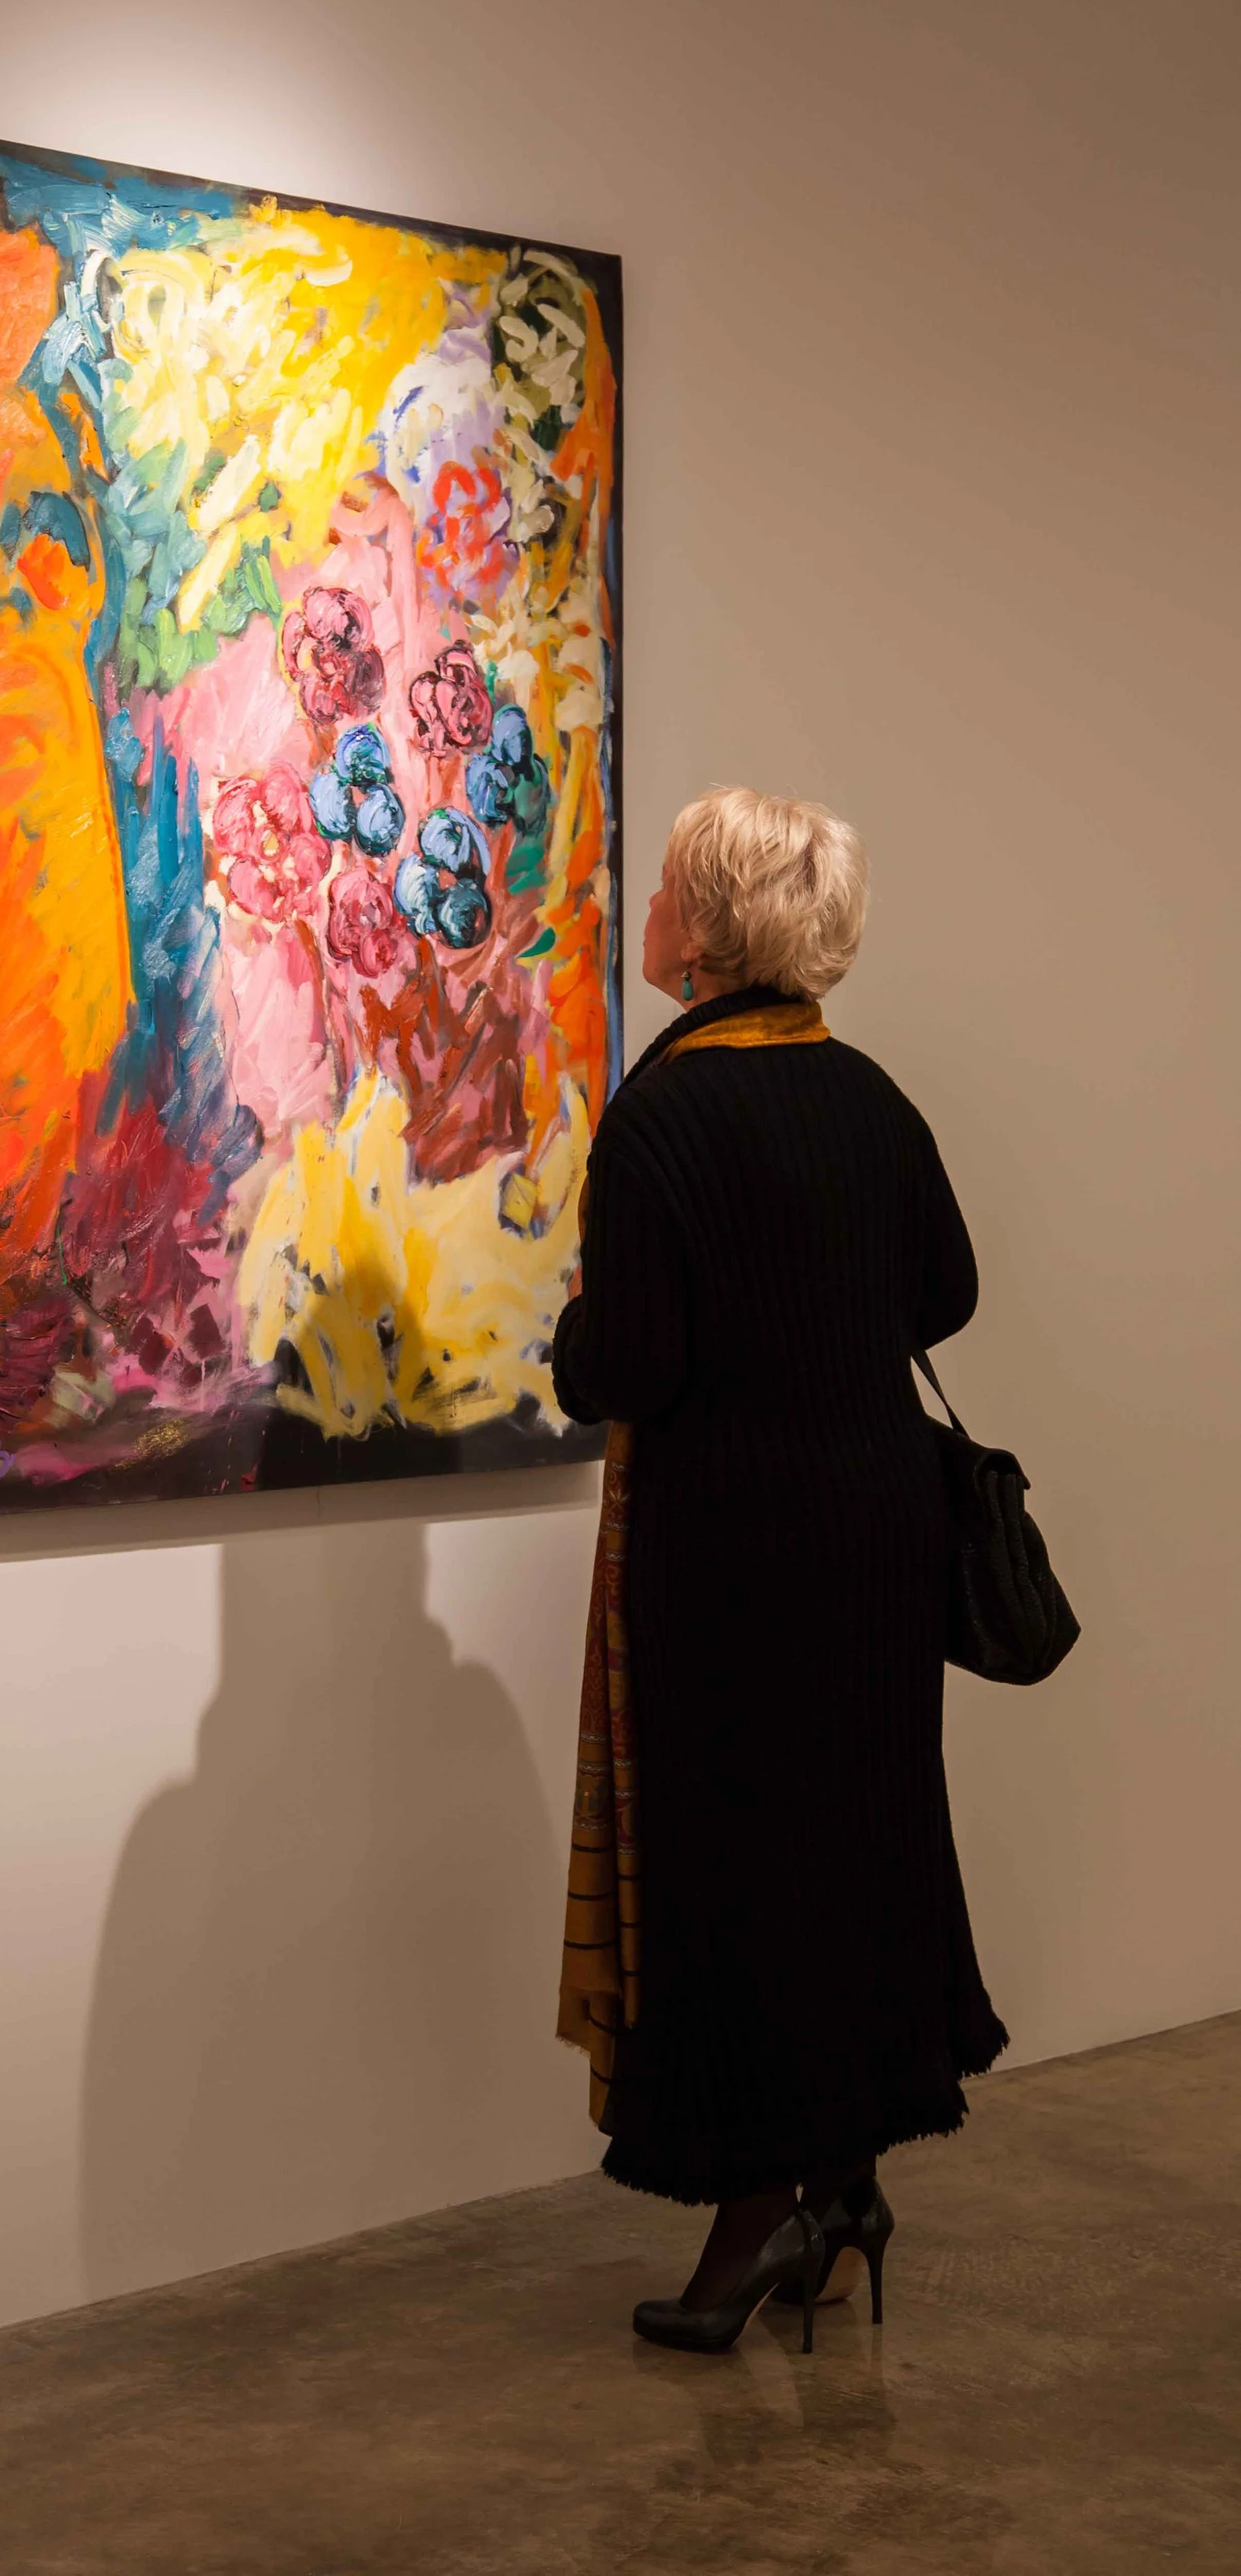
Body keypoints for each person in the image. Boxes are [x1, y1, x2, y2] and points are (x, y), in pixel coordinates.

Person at [552, 786, 1007, 2355]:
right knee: (855, 1847)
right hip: (873, 1533)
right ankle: (843, 2187)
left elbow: (629, 1362)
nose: (654, 912)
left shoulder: (662, 1113)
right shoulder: (868, 1097)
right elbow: (939, 1292)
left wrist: (575, 1341)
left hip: (734, 1548)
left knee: (736, 1875)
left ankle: (754, 2216)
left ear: (712, 928)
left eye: (671, 888)